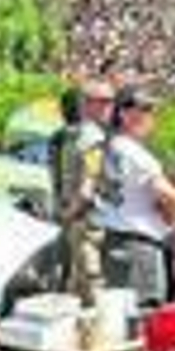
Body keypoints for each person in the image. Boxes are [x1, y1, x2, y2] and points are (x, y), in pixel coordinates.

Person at [93, 87, 175, 307]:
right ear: (124, 114)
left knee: (117, 317)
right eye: (145, 109)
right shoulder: (137, 155)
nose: (151, 115)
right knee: (143, 318)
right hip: (138, 247)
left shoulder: (109, 146)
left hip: (112, 238)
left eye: (152, 109)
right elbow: (173, 200)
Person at [54, 78, 115, 302]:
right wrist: (69, 214)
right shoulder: (93, 138)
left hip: (76, 221)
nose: (111, 107)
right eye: (105, 101)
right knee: (93, 289)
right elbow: (88, 187)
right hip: (88, 221)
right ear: (87, 104)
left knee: (75, 287)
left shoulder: (75, 134)